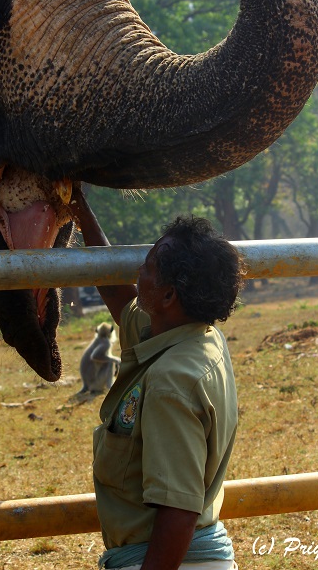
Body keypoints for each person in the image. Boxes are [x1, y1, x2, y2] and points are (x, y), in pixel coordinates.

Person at [68, 187, 244, 570]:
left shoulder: (171, 382)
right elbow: (121, 299)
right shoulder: (195, 336)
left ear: (167, 297)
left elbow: (177, 511)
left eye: (146, 267)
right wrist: (81, 212)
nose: (138, 273)